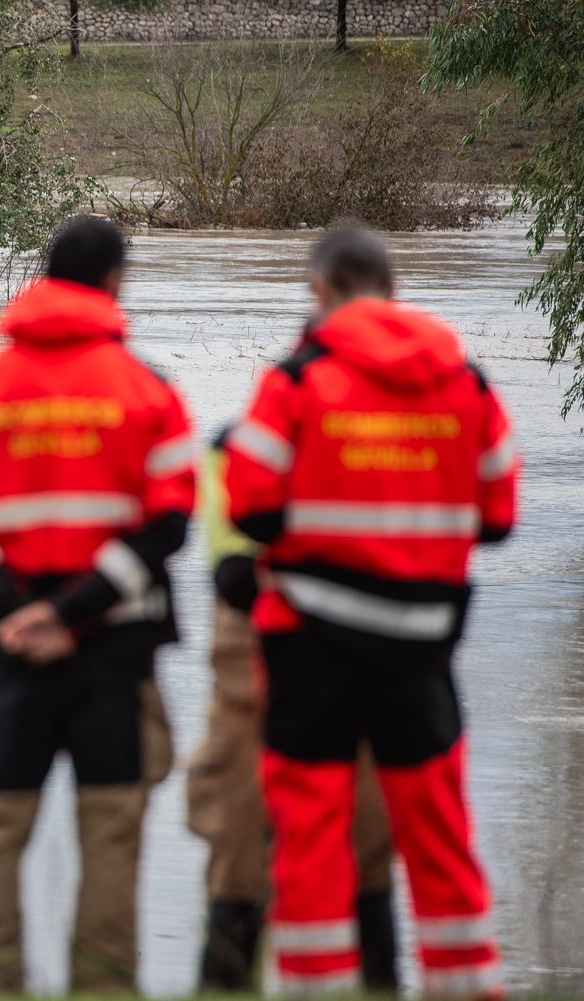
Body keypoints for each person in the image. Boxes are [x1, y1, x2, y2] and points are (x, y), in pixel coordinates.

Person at [224, 226, 517, 997]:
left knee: (312, 836)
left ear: (319, 289)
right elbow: (497, 514)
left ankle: (318, 987)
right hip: (421, 648)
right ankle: (466, 984)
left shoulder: (296, 378)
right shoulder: (469, 381)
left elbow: (249, 502)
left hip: (310, 644)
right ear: (393, 286)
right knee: (439, 834)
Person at [0, 215, 194, 994]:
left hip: (3, 646)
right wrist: (72, 613)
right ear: (115, 281)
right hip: (115, 645)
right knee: (111, 831)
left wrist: (15, 610)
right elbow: (167, 523)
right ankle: (105, 986)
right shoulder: (151, 392)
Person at [188, 424, 398, 992]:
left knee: (326, 826)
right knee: (262, 822)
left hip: (309, 630)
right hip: (341, 631)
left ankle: (236, 979)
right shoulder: (410, 423)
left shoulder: (243, 441)